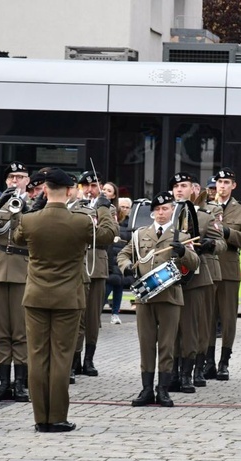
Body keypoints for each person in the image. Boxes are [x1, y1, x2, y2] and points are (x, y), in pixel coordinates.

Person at [13, 168, 115, 432]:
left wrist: (33, 209)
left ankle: (40, 418)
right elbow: (106, 236)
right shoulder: (80, 221)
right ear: (70, 191)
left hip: (35, 295)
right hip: (68, 297)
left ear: (45, 190)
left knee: (36, 356)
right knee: (61, 357)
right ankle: (56, 417)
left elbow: (16, 238)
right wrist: (104, 208)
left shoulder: (30, 220)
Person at [117, 191, 199, 407]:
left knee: (167, 345)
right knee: (146, 344)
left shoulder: (180, 236)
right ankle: (146, 389)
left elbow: (195, 263)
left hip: (170, 296)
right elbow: (123, 254)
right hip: (145, 297)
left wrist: (184, 253)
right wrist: (127, 268)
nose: (161, 213)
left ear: (172, 210)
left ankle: (162, 389)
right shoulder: (140, 234)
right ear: (152, 212)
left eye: (165, 209)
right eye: (158, 209)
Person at [169, 172, 225, 393]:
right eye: (176, 186)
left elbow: (222, 243)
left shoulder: (204, 216)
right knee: (171, 328)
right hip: (170, 277)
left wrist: (211, 244)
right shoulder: (165, 214)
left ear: (194, 189)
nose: (179, 190)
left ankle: (187, 374)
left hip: (195, 277)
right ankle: (171, 373)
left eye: (184, 186)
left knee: (191, 329)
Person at [0, 163, 32, 403]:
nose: (16, 181)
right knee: (1, 331)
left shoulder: (35, 206)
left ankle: (20, 383)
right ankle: (4, 381)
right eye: (12, 177)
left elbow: (37, 233)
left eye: (21, 177)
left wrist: (25, 210)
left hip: (21, 271)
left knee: (20, 331)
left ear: (28, 180)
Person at [207, 168, 241, 381]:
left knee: (227, 318)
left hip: (228, 268)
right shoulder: (206, 207)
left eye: (226, 182)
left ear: (233, 185)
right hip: (208, 267)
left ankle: (224, 361)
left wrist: (226, 231)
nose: (222, 186)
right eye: (219, 182)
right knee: (207, 317)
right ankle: (207, 362)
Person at [72, 171, 119, 378]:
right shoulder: (75, 205)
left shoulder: (106, 207)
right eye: (85, 186)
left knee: (92, 316)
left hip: (97, 263)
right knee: (77, 315)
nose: (89, 190)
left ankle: (88, 359)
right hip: (77, 263)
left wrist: (102, 210)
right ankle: (74, 358)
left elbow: (112, 233)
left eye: (93, 185)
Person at [106, 196, 132, 325]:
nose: (125, 209)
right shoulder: (113, 221)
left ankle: (115, 313)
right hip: (111, 259)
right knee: (108, 287)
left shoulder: (130, 224)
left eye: (127, 207)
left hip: (122, 260)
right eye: (122, 206)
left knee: (119, 288)